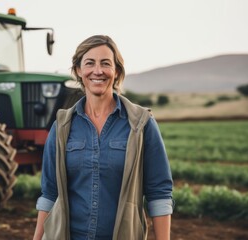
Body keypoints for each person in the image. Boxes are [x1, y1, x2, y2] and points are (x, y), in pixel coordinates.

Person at [33, 35, 174, 240]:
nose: (97, 71)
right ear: (79, 71)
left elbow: (159, 192)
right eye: (89, 63)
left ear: (116, 71)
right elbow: (49, 193)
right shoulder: (62, 125)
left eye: (105, 64)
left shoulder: (141, 124)